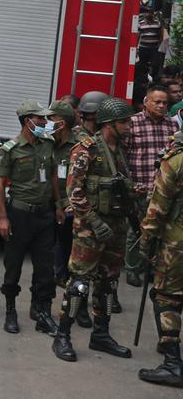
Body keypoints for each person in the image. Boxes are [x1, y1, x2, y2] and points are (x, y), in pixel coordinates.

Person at [53, 96, 136, 363]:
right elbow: (74, 192)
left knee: (109, 283)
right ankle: (62, 336)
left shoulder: (120, 150)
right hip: (90, 229)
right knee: (79, 284)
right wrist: (95, 221)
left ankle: (101, 334)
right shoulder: (86, 150)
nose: (128, 126)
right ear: (109, 124)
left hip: (116, 225)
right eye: (124, 122)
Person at [0, 100, 62, 336]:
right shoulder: (10, 149)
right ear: (27, 121)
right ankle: (10, 311)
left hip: (44, 214)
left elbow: (52, 176)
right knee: (13, 265)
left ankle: (41, 311)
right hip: (20, 214)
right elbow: (0, 185)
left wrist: (58, 205)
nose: (45, 122)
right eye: (40, 118)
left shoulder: (48, 144)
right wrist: (3, 218)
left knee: (45, 267)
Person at [137, 130, 183, 387]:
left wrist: (146, 240)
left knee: (166, 297)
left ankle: (172, 364)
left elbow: (158, 207)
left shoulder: (175, 160)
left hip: (176, 243)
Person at [124, 84, 176, 288]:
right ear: (146, 102)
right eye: (157, 102)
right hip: (139, 187)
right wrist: (129, 184)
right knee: (136, 231)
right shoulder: (132, 123)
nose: (162, 106)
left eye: (165, 103)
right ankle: (132, 268)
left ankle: (152, 268)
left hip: (163, 190)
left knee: (160, 230)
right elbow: (123, 155)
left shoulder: (172, 125)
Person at [49, 100, 79, 286]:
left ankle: (64, 276)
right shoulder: (46, 142)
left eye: (51, 118)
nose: (47, 123)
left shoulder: (77, 146)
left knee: (66, 243)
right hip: (48, 202)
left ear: (62, 123)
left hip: (68, 206)